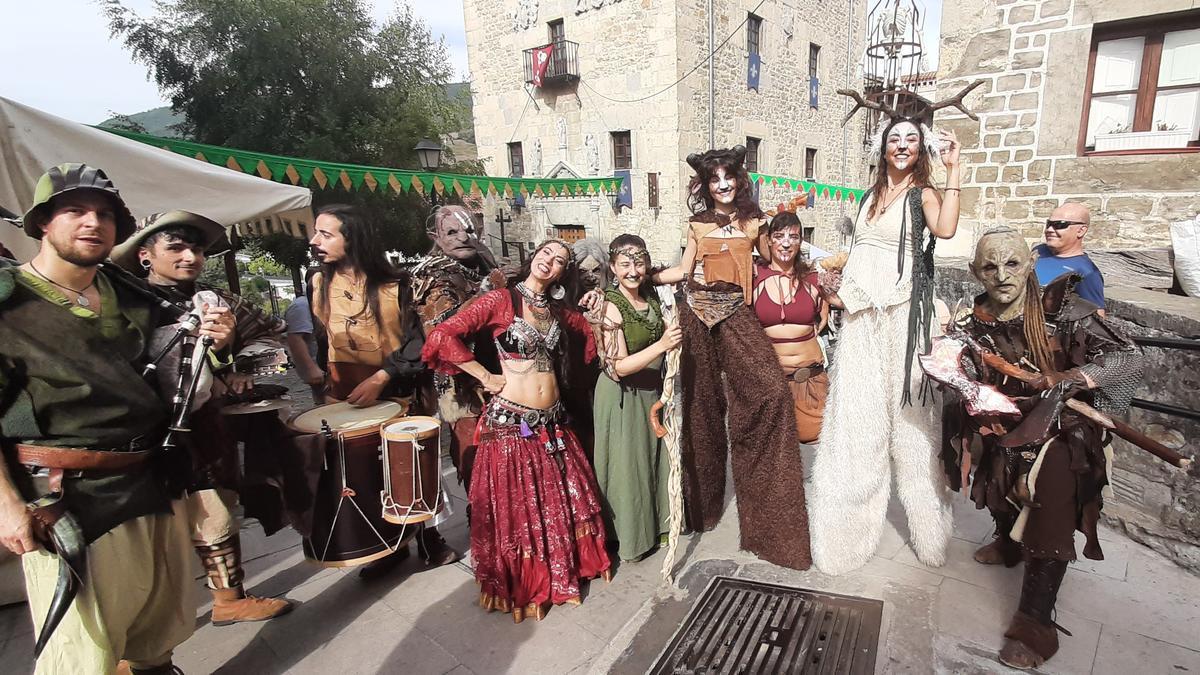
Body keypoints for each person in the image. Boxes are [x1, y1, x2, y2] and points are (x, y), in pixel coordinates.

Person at [0, 164, 225, 673]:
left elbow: (180, 383)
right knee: (82, 652)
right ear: (41, 224)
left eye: (104, 214)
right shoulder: (7, 305)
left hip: (152, 479)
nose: (92, 222)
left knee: (157, 631)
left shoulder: (133, 296)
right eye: (74, 210)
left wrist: (214, 342)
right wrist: (7, 505)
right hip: (70, 498)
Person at [940, 227, 1142, 669]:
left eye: (1012, 263)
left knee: (1051, 501)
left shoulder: (1066, 310)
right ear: (977, 272)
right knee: (997, 476)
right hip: (1007, 417)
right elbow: (970, 365)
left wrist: (1070, 378)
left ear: (1029, 263)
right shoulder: (977, 318)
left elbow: (1127, 356)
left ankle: (1036, 621)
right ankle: (1008, 543)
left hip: (1064, 425)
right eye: (990, 267)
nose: (1002, 275)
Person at [110, 210, 294, 626]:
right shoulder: (122, 302)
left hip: (204, 427)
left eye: (195, 248)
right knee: (145, 538)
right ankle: (132, 637)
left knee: (217, 512)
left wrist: (235, 356)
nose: (190, 256)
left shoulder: (215, 299)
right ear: (145, 255)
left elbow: (270, 341)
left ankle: (229, 600)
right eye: (175, 247)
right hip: (140, 437)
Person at [422, 240, 612, 622]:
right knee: (522, 510)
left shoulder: (557, 310)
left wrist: (599, 301)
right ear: (534, 257)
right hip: (512, 422)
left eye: (559, 261)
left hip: (553, 423)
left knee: (560, 501)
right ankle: (528, 584)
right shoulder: (499, 301)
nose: (550, 262)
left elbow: (591, 334)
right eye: (546, 254)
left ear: (562, 272)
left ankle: (562, 572)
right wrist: (483, 375)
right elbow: (444, 335)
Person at [808, 117, 963, 575]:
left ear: (921, 150)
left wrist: (953, 168)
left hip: (903, 318)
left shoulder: (923, 194)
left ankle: (930, 531)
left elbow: (948, 230)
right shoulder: (868, 196)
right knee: (855, 424)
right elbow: (861, 254)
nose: (902, 145)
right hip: (861, 319)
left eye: (911, 139)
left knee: (914, 426)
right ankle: (843, 538)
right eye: (894, 138)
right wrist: (838, 292)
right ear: (882, 147)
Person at [650, 146, 811, 571]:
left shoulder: (756, 222)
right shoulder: (696, 224)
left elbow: (775, 259)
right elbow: (683, 269)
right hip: (696, 313)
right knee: (700, 410)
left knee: (771, 394)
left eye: (729, 178)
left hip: (736, 312)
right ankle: (701, 509)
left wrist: (812, 281)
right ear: (705, 186)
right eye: (714, 179)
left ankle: (769, 529)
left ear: (738, 181)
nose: (722, 185)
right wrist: (639, 274)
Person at [308, 204, 460, 573]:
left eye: (326, 234)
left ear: (353, 238)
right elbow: (321, 338)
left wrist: (383, 377)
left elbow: (418, 343)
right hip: (346, 392)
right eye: (317, 233)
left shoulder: (398, 285)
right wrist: (326, 387)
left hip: (396, 389)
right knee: (364, 474)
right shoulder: (318, 282)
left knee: (407, 468)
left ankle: (427, 537)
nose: (315, 241)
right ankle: (385, 545)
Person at [592, 235, 682, 562]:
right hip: (622, 396)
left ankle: (655, 526)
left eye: (639, 263)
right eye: (625, 264)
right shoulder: (611, 306)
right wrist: (663, 345)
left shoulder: (648, 294)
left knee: (652, 460)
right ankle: (629, 538)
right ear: (613, 268)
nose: (633, 270)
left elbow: (683, 269)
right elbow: (618, 368)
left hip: (650, 392)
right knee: (628, 467)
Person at [410, 205, 499, 507]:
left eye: (469, 230)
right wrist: (490, 291)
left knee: (503, 460)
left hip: (501, 378)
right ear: (434, 236)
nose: (463, 236)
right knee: (475, 458)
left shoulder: (484, 262)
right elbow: (441, 333)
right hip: (462, 387)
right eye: (452, 231)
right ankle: (483, 525)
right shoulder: (431, 274)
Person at [753, 209, 830, 444]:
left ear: (800, 241)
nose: (786, 244)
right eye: (779, 236)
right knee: (773, 461)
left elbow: (844, 302)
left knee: (821, 456)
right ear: (769, 240)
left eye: (793, 237)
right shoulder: (754, 277)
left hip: (810, 384)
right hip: (770, 385)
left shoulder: (815, 279)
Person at [1034, 202, 1105, 313]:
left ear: (1081, 230)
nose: (1049, 230)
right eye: (1049, 224)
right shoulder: (1038, 251)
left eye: (1060, 224)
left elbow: (1097, 318)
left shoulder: (1087, 272)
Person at [285, 268, 325, 405]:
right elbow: (295, 338)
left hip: (326, 365)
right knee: (324, 404)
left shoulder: (321, 301)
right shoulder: (301, 305)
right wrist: (310, 368)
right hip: (318, 367)